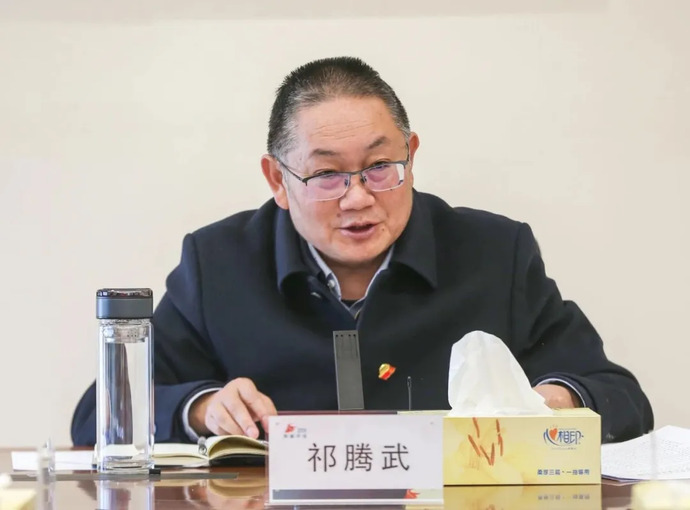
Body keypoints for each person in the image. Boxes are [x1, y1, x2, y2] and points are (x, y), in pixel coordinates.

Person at [71, 56, 653, 446]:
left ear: (412, 156)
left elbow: (622, 397)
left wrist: (551, 403)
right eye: (326, 174)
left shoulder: (494, 254)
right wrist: (202, 409)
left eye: (380, 166)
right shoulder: (219, 263)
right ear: (278, 180)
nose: (358, 198)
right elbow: (98, 415)